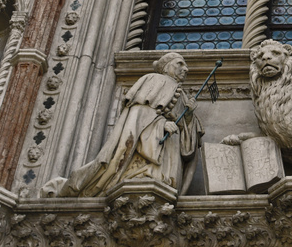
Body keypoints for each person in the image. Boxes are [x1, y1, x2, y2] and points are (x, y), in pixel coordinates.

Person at [43, 52, 202, 196]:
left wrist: (188, 116)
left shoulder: (182, 94)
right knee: (145, 181)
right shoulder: (155, 80)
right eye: (179, 64)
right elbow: (139, 114)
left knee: (164, 186)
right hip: (153, 144)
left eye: (186, 65)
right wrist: (161, 126)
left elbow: (187, 138)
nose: (186, 69)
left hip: (170, 147)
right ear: (166, 67)